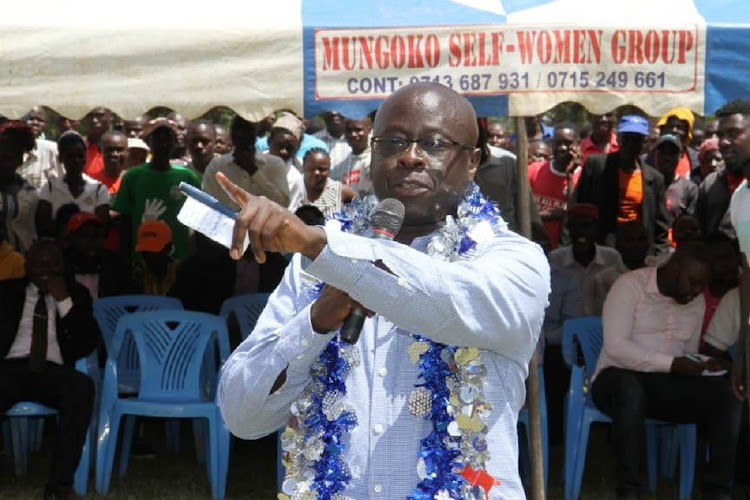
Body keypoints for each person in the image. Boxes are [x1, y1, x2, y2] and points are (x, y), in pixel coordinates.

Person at [216, 82, 550, 499]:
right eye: (392, 141)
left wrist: (323, 249)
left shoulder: (514, 261)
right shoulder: (314, 268)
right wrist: (314, 323)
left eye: (434, 143)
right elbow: (241, 416)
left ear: (471, 162)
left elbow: (445, 301)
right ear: (374, 155)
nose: (410, 156)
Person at [592, 243, 742, 500]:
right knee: (629, 388)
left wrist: (706, 363)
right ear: (674, 270)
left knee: (727, 395)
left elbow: (688, 352)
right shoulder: (629, 286)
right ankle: (631, 489)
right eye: (692, 283)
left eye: (701, 286)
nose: (696, 292)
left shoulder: (695, 301)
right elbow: (616, 348)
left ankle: (718, 490)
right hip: (615, 377)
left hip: (665, 384)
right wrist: (671, 364)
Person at [0, 239, 99, 500]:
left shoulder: (77, 295)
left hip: (51, 370)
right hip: (10, 367)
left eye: (51, 264)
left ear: (61, 265)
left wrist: (64, 301)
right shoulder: (8, 292)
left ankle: (60, 485)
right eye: (37, 263)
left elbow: (87, 342)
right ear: (27, 265)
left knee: (81, 387)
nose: (44, 270)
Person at [576, 114, 670, 256]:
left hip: (639, 251)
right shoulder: (596, 166)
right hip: (603, 248)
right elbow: (579, 207)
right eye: (627, 138)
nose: (631, 145)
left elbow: (660, 225)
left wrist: (659, 256)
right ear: (619, 139)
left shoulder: (655, 178)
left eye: (636, 140)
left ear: (644, 143)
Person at [112, 118, 200, 259]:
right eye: (158, 139)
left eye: (168, 139)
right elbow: (124, 221)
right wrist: (125, 258)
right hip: (142, 259)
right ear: (148, 143)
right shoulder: (132, 177)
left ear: (175, 143)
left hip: (179, 258)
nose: (163, 144)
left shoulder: (187, 177)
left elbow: (198, 222)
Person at [721, 100, 750, 403]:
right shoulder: (740, 198)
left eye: (734, 133)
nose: (724, 142)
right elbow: (747, 269)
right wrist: (743, 342)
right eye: (720, 134)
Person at [203, 115, 290, 210]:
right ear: (231, 134)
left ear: (255, 134)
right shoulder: (217, 166)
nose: (242, 135)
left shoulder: (274, 164)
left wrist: (253, 171)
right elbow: (207, 204)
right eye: (238, 129)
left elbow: (283, 204)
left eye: (248, 130)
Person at [36, 131, 110, 239]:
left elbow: (102, 228)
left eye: (80, 156)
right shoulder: (50, 188)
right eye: (70, 156)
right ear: (61, 158)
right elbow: (44, 226)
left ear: (86, 157)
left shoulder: (99, 189)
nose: (76, 161)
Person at [527, 123, 581, 249]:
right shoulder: (534, 170)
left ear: (577, 144)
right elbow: (524, 213)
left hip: (567, 248)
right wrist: (557, 214)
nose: (562, 148)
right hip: (536, 244)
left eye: (568, 143)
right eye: (558, 143)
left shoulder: (582, 175)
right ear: (551, 144)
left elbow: (574, 214)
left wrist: (569, 176)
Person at [64, 212, 136, 300]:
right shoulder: (61, 267)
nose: (91, 241)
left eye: (96, 235)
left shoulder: (117, 265)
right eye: (85, 235)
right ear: (71, 238)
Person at [0, 121, 39, 253]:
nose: (1, 163)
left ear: (19, 161)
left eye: (7, 158)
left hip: (23, 265)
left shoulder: (30, 194)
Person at [650, 134, 698, 222]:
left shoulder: (689, 189)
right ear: (655, 154)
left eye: (672, 153)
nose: (667, 157)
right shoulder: (646, 183)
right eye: (663, 152)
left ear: (680, 156)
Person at [266, 113, 306, 211]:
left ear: (297, 148)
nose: (284, 151)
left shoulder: (294, 179)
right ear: (269, 141)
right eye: (279, 145)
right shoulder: (252, 164)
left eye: (289, 148)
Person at [302, 148, 356, 217]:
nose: (316, 173)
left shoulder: (340, 191)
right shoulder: (295, 189)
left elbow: (362, 213)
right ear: (303, 167)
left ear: (329, 170)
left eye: (322, 169)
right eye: (311, 168)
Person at [19, 107, 62, 190]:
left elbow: (61, 179)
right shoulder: (10, 148)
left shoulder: (51, 149)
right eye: (31, 119)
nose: (35, 123)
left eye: (40, 120)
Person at [653, 107, 699, 180]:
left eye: (679, 127)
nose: (674, 130)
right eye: (670, 126)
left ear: (687, 132)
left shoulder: (697, 160)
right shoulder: (647, 159)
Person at [331, 117, 373, 194]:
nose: (353, 134)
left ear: (369, 130)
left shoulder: (375, 161)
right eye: (349, 130)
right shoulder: (340, 167)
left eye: (358, 130)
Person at [134, 220, 177, 295]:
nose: (149, 257)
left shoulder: (181, 273)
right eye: (145, 251)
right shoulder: (134, 275)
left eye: (154, 251)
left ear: (169, 247)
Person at [82, 107, 112, 180]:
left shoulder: (121, 147)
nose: (94, 120)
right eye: (90, 116)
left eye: (99, 115)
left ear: (111, 117)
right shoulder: (80, 146)